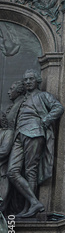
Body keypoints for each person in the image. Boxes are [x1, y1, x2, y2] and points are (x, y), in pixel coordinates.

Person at [7, 69, 64, 218]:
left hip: (34, 132)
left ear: (37, 81)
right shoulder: (21, 100)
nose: (27, 82)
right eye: (25, 80)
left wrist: (45, 121)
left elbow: (58, 107)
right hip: (18, 135)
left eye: (30, 79)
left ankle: (29, 209)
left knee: (30, 171)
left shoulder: (43, 96)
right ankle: (33, 202)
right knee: (12, 171)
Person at [0, 80, 24, 213]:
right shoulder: (13, 105)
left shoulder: (7, 132)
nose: (8, 92)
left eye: (12, 88)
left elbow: (4, 151)